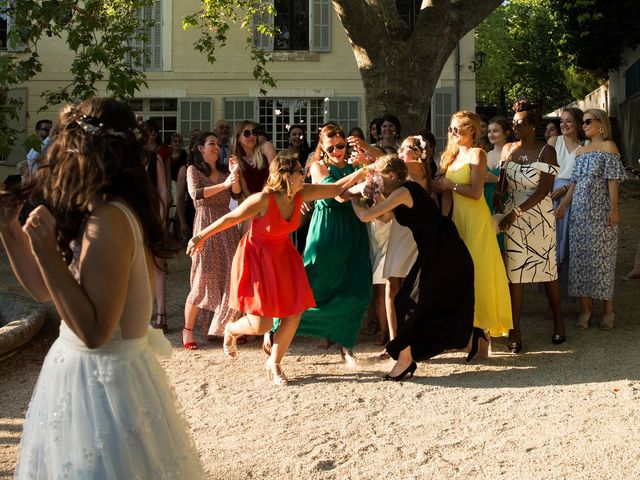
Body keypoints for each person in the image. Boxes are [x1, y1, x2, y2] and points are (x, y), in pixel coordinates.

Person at [0, 97, 204, 478]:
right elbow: (46, 292)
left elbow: (95, 332)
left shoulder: (108, 220)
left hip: (103, 390)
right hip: (80, 379)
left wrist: (46, 250)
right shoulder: (98, 211)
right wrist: (9, 229)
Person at [186, 151, 368, 385]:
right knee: (261, 324)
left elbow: (335, 189)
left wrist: (362, 172)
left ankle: (274, 363)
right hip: (257, 259)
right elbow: (230, 219)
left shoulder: (302, 193)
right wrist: (200, 236)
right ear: (285, 176)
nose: (303, 175)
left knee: (295, 312)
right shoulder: (263, 200)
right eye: (298, 173)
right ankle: (231, 329)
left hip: (283, 257)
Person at [351, 155, 475, 380]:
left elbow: (366, 216)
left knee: (406, 301)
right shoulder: (401, 192)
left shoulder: (405, 190)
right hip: (436, 250)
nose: (375, 178)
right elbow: (387, 217)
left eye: (378, 174)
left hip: (444, 250)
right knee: (429, 299)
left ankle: (406, 360)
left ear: (390, 175)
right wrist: (376, 196)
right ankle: (473, 337)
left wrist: (352, 197)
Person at [272, 124, 373, 359]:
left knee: (356, 287)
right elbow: (336, 194)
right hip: (327, 228)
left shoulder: (356, 165)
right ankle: (276, 326)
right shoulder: (318, 166)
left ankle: (345, 340)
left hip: (354, 228)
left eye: (341, 146)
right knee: (314, 284)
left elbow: (362, 194)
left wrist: (366, 164)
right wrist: (361, 177)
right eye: (332, 147)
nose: (338, 150)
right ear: (323, 148)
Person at [433, 111, 512, 358]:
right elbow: (444, 192)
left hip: (476, 220)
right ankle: (466, 332)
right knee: (461, 276)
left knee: (479, 273)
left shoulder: (478, 154)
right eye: (451, 129)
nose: (453, 133)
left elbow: (477, 192)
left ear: (472, 131)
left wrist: (451, 185)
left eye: (458, 129)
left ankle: (483, 336)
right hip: (458, 219)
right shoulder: (451, 156)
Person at [495, 100, 566, 351]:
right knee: (515, 273)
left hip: (538, 215)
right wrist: (497, 197)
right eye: (513, 123)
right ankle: (515, 329)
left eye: (520, 123)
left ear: (533, 125)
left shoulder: (547, 150)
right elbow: (502, 183)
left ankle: (558, 322)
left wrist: (515, 212)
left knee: (547, 270)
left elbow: (544, 190)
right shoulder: (508, 150)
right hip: (511, 217)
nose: (515, 126)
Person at [564, 109, 626, 330]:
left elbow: (612, 182)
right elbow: (574, 182)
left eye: (588, 121)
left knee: (603, 261)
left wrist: (614, 210)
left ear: (602, 124)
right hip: (579, 214)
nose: (584, 125)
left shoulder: (609, 147)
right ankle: (585, 309)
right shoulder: (580, 151)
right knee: (580, 261)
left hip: (601, 212)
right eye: (583, 122)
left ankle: (607, 311)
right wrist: (563, 206)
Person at [182, 131, 243, 349]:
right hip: (205, 224)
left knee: (229, 276)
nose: (216, 147)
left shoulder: (226, 172)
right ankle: (187, 330)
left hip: (226, 225)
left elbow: (236, 195)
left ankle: (225, 326)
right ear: (200, 148)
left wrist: (234, 175)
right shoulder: (193, 170)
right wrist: (225, 184)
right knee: (202, 277)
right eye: (211, 144)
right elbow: (195, 193)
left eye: (218, 144)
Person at [382, 135, 430, 348]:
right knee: (391, 285)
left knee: (413, 289)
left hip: (414, 235)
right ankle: (395, 340)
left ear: (418, 152)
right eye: (399, 149)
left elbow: (393, 164)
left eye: (406, 149)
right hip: (397, 231)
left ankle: (415, 338)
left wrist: (367, 149)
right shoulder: (398, 178)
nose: (400, 152)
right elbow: (387, 213)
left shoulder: (420, 171)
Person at [548, 108, 585, 298]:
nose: (564, 124)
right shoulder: (555, 142)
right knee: (552, 245)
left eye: (569, 121)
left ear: (578, 124)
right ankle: (551, 299)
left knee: (568, 245)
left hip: (573, 196)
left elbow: (581, 177)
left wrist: (565, 189)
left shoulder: (584, 148)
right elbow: (544, 170)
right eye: (562, 121)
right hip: (551, 195)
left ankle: (567, 294)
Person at [144, 121, 170, 332]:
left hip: (154, 214)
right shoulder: (126, 160)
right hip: (133, 216)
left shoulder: (156, 159)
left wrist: (162, 217)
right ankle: (142, 311)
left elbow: (163, 190)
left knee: (158, 264)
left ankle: (161, 312)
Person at [484, 116, 512, 251]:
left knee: (503, 243)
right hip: (485, 201)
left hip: (503, 201)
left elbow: (516, 179)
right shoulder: (485, 155)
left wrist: (496, 179)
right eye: (489, 131)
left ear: (506, 133)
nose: (491, 134)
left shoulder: (513, 154)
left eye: (495, 131)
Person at [231, 120, 277, 198]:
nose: (252, 136)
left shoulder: (266, 147)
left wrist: (265, 199)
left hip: (271, 195)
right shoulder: (237, 158)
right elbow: (244, 188)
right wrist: (255, 205)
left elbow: (275, 174)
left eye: (254, 132)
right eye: (247, 133)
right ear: (238, 138)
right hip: (252, 201)